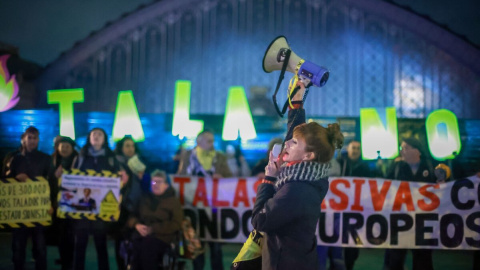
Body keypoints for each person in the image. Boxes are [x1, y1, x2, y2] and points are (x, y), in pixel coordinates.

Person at [251, 82, 344, 270]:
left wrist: (269, 179)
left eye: (293, 143)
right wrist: (296, 104)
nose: (287, 145)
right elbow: (296, 137)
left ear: (308, 156)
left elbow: (260, 221)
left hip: (284, 263)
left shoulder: (295, 189)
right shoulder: (309, 176)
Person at [177, 130, 232, 270]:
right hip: (194, 207)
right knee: (197, 244)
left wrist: (222, 177)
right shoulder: (188, 156)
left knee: (216, 247)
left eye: (213, 140)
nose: (212, 144)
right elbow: (181, 177)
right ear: (198, 141)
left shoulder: (220, 157)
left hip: (214, 208)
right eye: (209, 141)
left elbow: (231, 177)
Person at [71, 127, 125, 270]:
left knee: (101, 244)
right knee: (80, 244)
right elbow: (71, 178)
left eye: (99, 134)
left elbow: (118, 181)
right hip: (82, 206)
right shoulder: (80, 157)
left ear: (104, 139)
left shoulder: (112, 158)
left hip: (102, 207)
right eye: (94, 134)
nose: (96, 136)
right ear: (89, 138)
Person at [383, 137, 435, 270]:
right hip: (399, 221)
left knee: (423, 259)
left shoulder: (430, 166)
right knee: (395, 259)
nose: (402, 151)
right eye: (401, 148)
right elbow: (384, 187)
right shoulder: (396, 167)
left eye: (405, 148)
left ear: (417, 151)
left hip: (422, 222)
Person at [7, 126, 52, 270]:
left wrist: (51, 204)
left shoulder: (45, 158)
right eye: (29, 137)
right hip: (19, 208)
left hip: (39, 208)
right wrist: (14, 177)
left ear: (38, 140)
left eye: (35, 138)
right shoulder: (13, 158)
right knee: (18, 246)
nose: (32, 141)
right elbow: (4, 182)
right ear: (23, 140)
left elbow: (51, 183)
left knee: (40, 246)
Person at [128, 169, 184, 270]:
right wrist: (136, 224)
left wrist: (153, 229)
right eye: (153, 181)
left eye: (159, 182)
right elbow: (132, 216)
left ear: (166, 185)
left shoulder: (173, 202)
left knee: (147, 246)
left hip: (162, 236)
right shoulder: (144, 199)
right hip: (143, 234)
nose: (156, 184)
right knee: (136, 245)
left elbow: (176, 223)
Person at [337, 140, 371, 270]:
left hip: (357, 210)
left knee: (353, 242)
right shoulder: (340, 163)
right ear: (348, 149)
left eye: (358, 148)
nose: (355, 150)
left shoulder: (365, 167)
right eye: (353, 148)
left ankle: (350, 265)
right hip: (341, 209)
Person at [113, 136, 144, 270]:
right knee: (120, 241)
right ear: (121, 148)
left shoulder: (140, 163)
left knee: (137, 240)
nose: (130, 149)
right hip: (121, 206)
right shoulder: (115, 163)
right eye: (127, 146)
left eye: (132, 146)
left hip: (138, 206)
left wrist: (144, 178)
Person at [49, 135, 78, 270]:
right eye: (62, 146)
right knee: (60, 234)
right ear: (58, 148)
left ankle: (71, 261)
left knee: (72, 234)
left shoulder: (79, 161)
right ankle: (63, 259)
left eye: (68, 146)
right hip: (58, 203)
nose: (65, 149)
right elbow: (46, 181)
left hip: (75, 204)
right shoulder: (51, 161)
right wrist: (55, 176)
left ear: (72, 148)